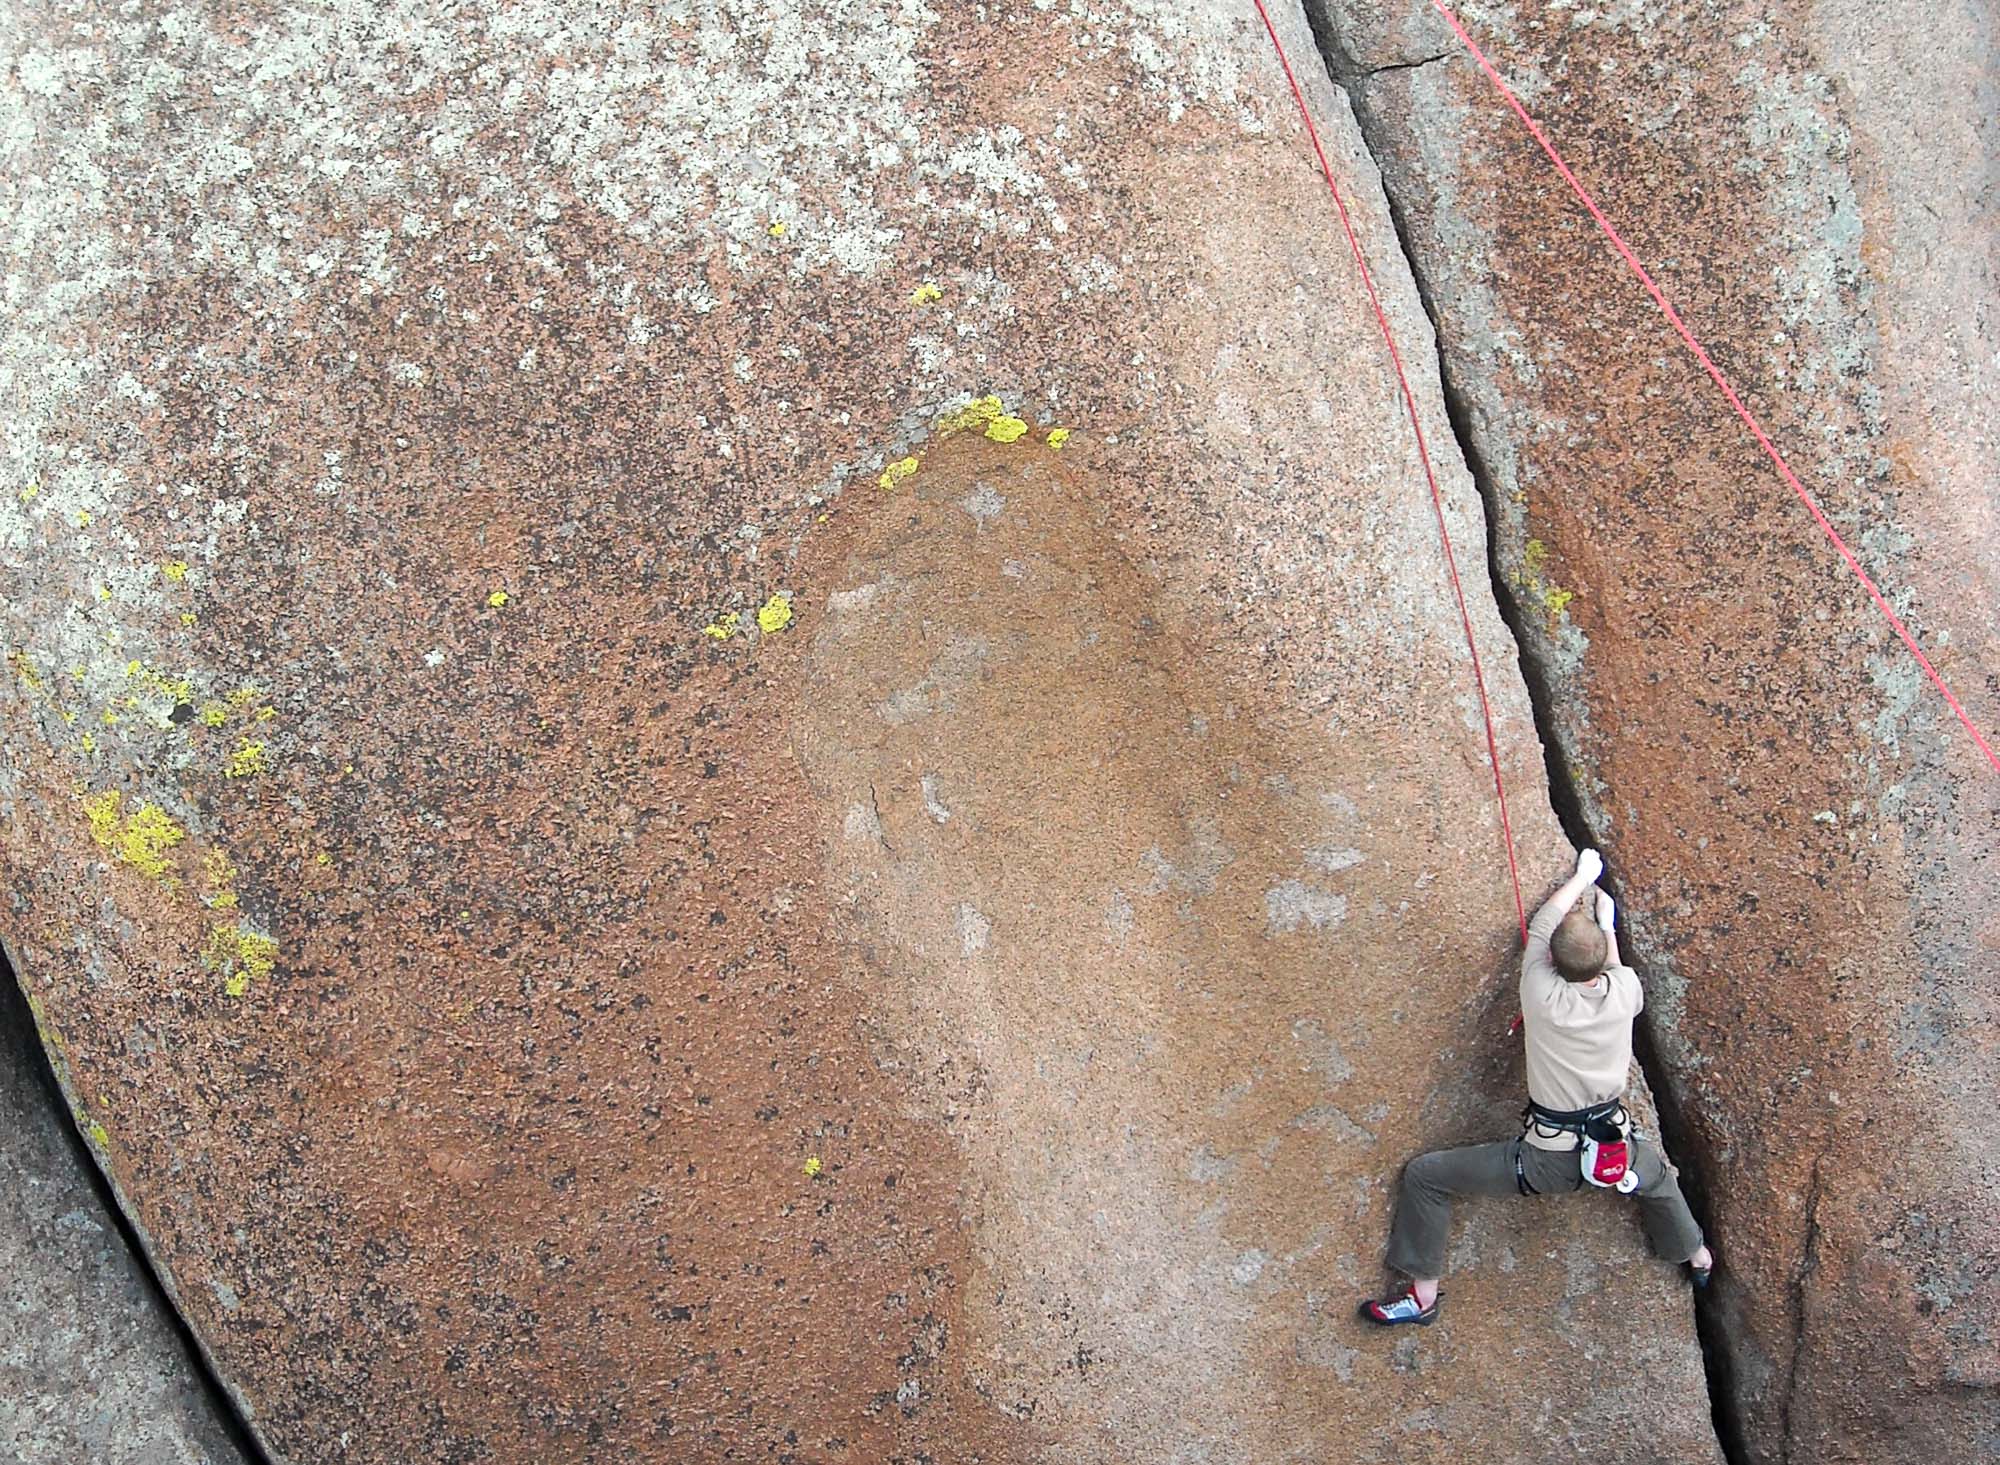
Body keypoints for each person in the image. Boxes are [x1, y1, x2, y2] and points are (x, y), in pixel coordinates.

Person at [1359, 847, 1714, 1326]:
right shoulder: (1626, 991)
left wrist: (1581, 878)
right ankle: (1696, 1256)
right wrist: (1607, 925)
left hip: (1545, 1160)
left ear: (1552, 961)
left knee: (1427, 1176)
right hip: (1616, 1147)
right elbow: (1612, 968)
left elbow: (1544, 924)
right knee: (1658, 1180)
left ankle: (1422, 1299)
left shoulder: (1542, 994)